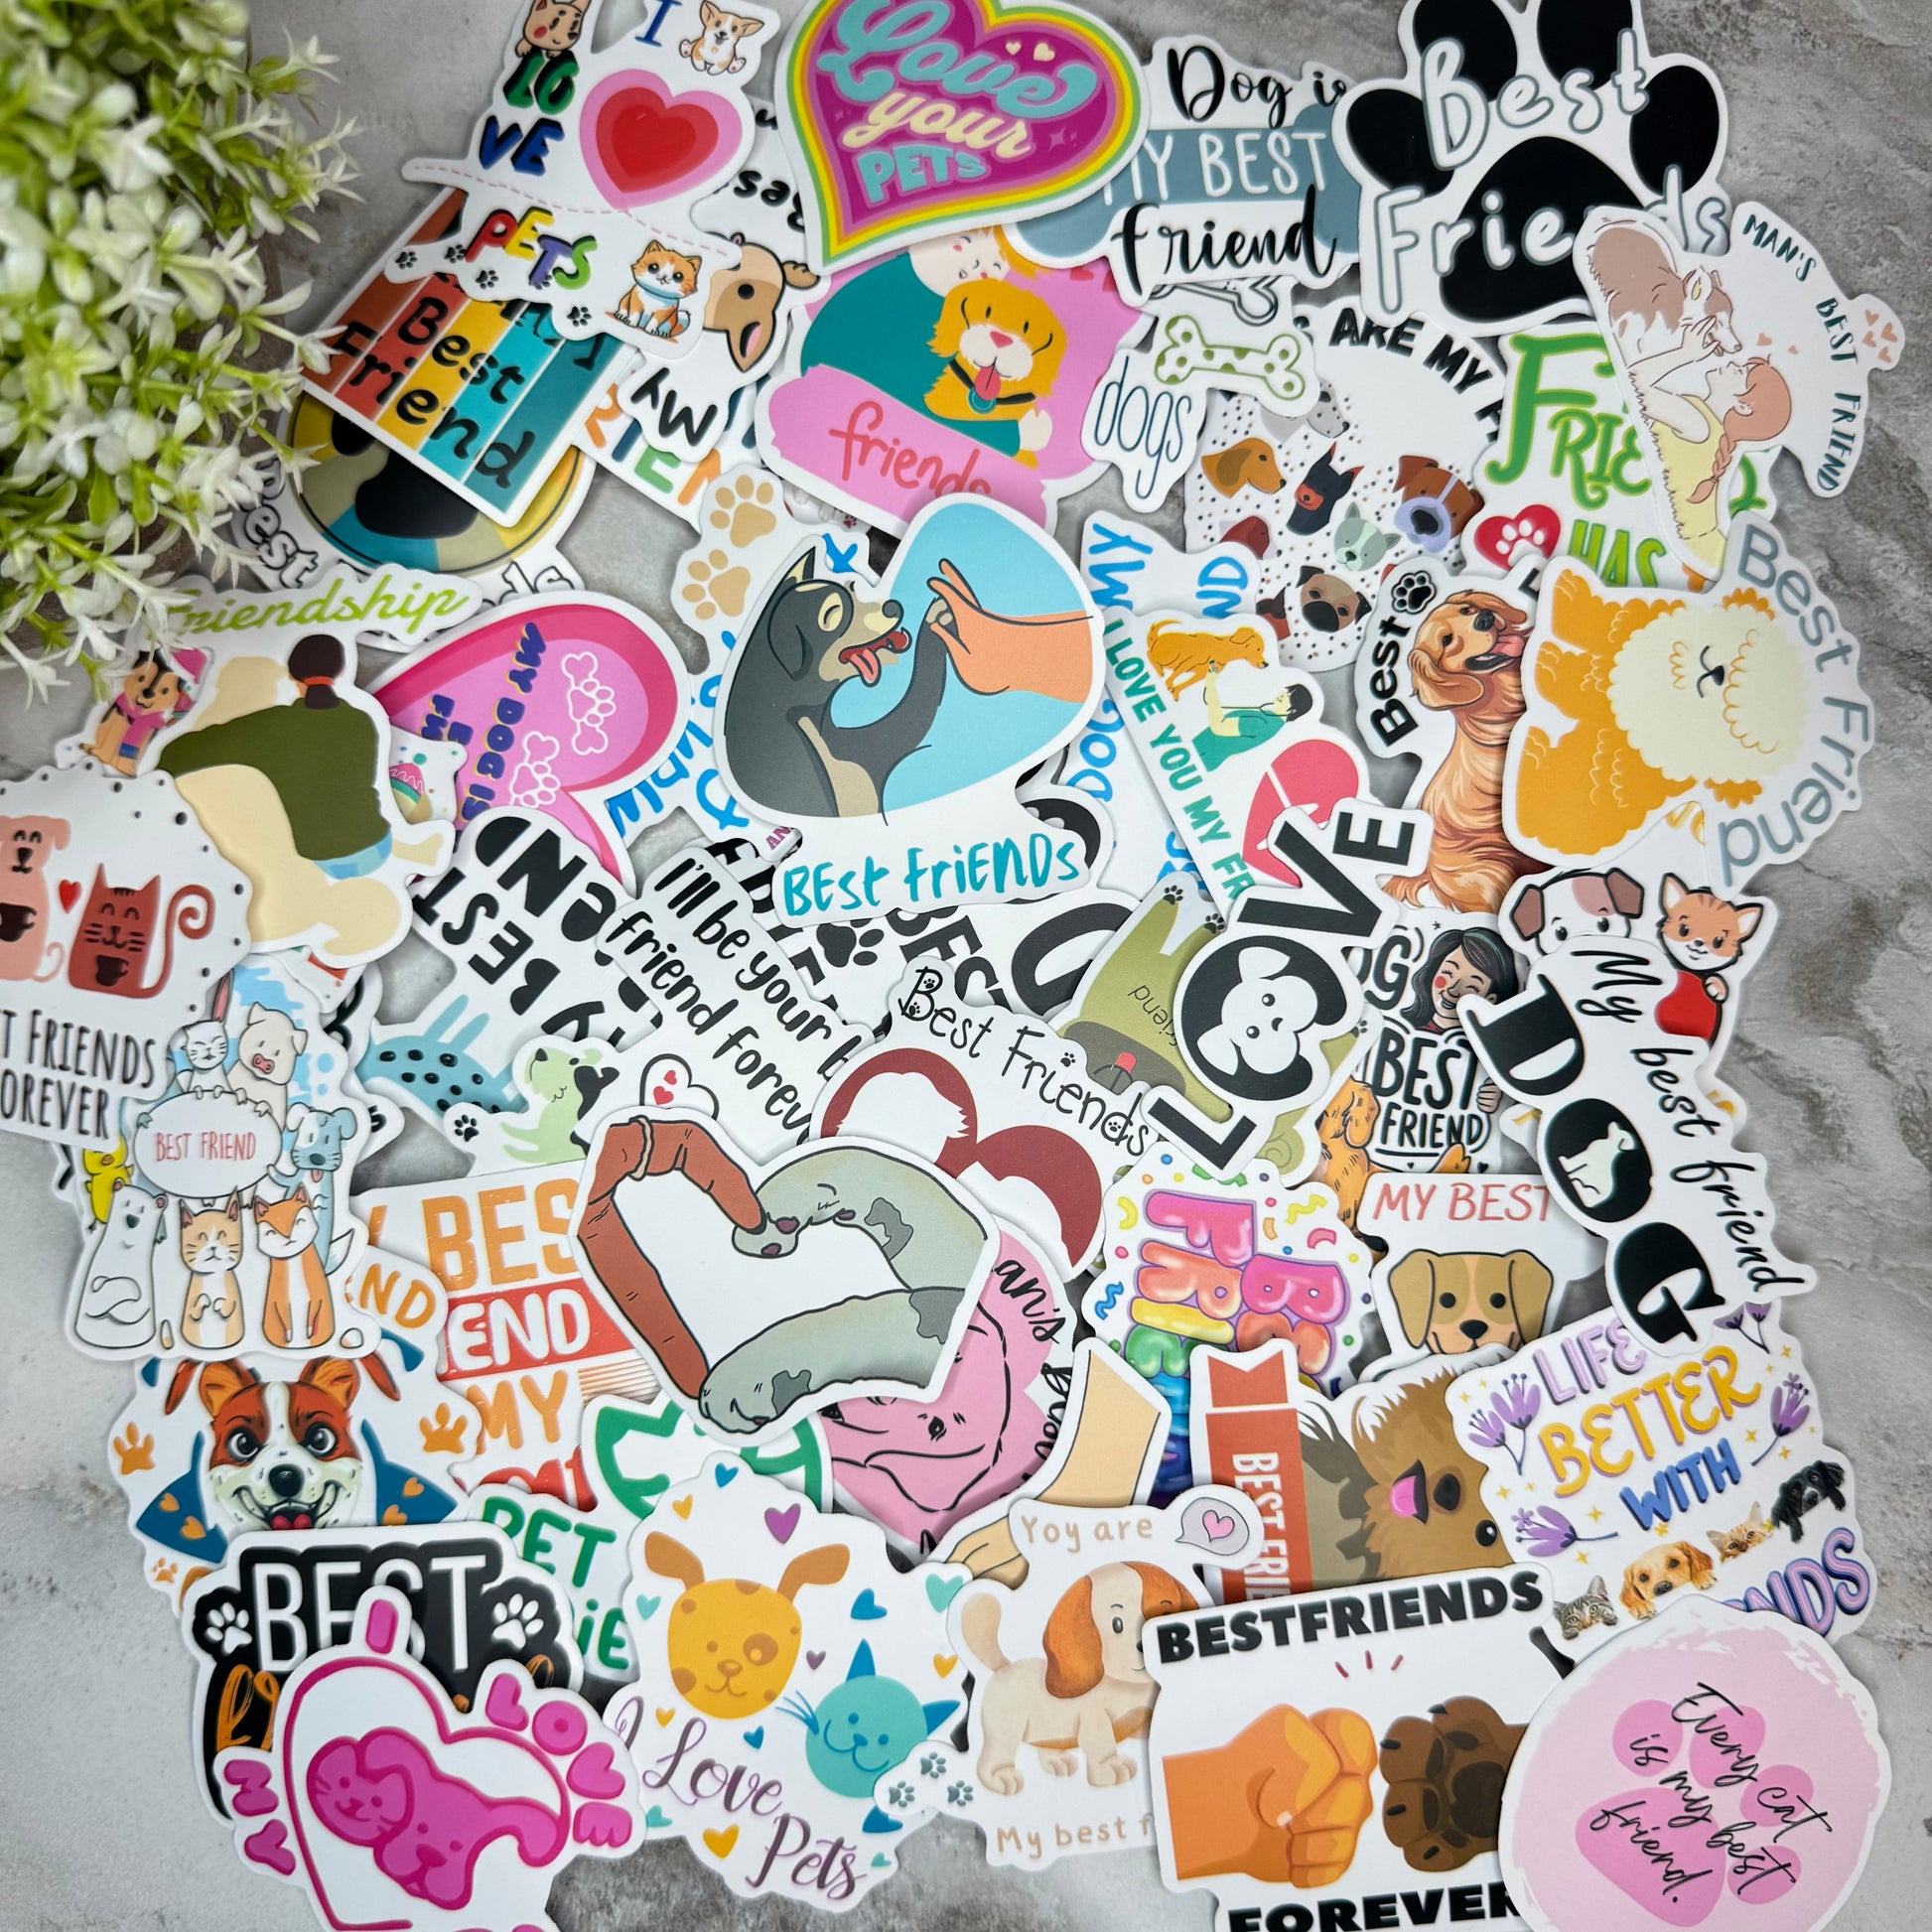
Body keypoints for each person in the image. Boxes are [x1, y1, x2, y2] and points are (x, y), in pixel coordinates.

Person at [157, 632, 393, 876]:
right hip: (378, 841)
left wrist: (159, 771)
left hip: (323, 857)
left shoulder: (272, 725)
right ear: (341, 671)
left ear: (291, 675)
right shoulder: (360, 720)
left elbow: (184, 751)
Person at [1626, 320, 1792, 574]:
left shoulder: (1700, 424)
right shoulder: (1709, 427)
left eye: (1742, 372)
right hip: (1701, 551)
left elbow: (1631, 384)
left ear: (1743, 406)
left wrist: (1686, 353)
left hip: (1689, 557)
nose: (1733, 364)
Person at [1191, 663, 1314, 772]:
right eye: (1286, 691)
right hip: (1199, 751)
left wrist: (1210, 683)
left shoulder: (1265, 724)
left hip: (1200, 756)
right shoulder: (1268, 717)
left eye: (1288, 697)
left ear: (1292, 710)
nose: (1282, 695)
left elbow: (1219, 726)